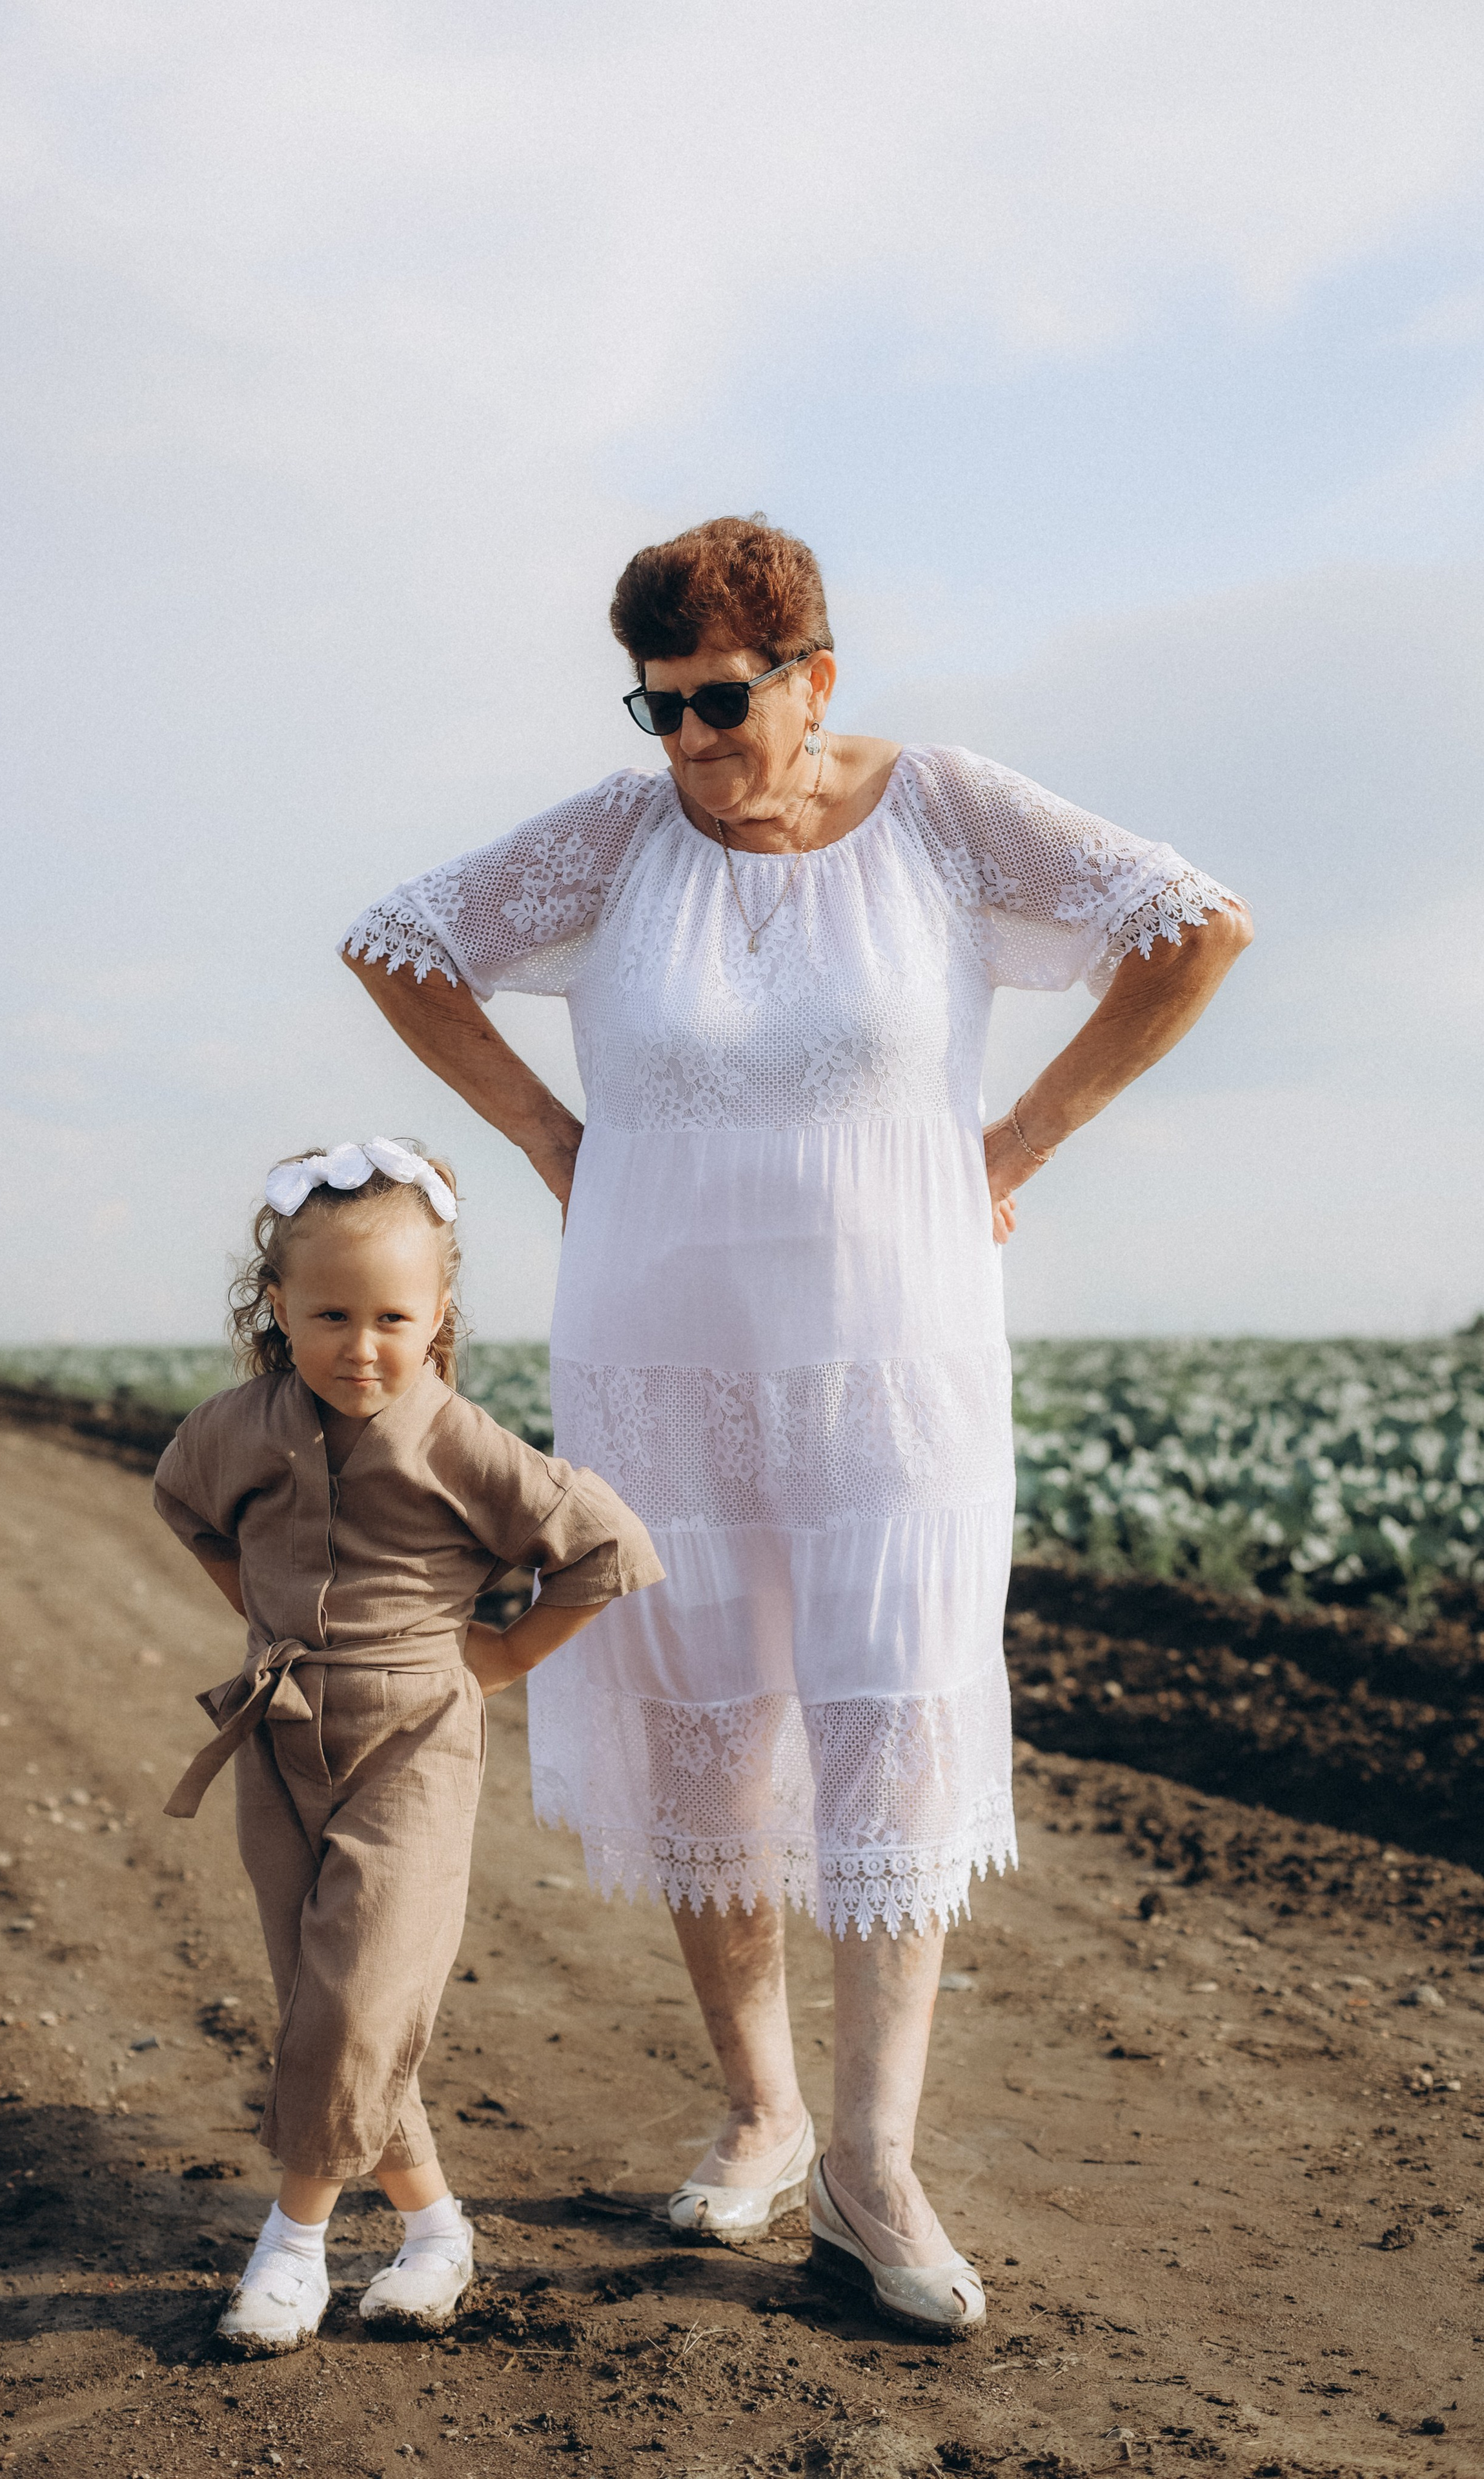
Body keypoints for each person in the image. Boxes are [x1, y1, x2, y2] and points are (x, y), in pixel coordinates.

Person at [341, 517, 1252, 2334]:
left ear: (814, 679)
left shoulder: (945, 814)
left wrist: (1019, 1142)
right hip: (658, 1353)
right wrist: (548, 1137)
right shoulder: (619, 839)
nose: (690, 742)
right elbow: (394, 942)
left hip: (893, 1357)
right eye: (658, 707)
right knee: (705, 1735)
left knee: (886, 1723)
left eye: (722, 702)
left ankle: (872, 2164)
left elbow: (1191, 927)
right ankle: (761, 2110)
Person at [153, 1137, 662, 2355]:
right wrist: (264, 1613)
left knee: (360, 1995)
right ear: (278, 1307)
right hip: (278, 1740)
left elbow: (604, 1548)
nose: (361, 1346)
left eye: (393, 1317)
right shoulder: (237, 1428)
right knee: (326, 2002)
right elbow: (185, 1504)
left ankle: (293, 2249)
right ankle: (435, 2232)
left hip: (415, 1745)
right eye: (330, 1315)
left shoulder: (460, 1441)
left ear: (438, 1316)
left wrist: (505, 1654)